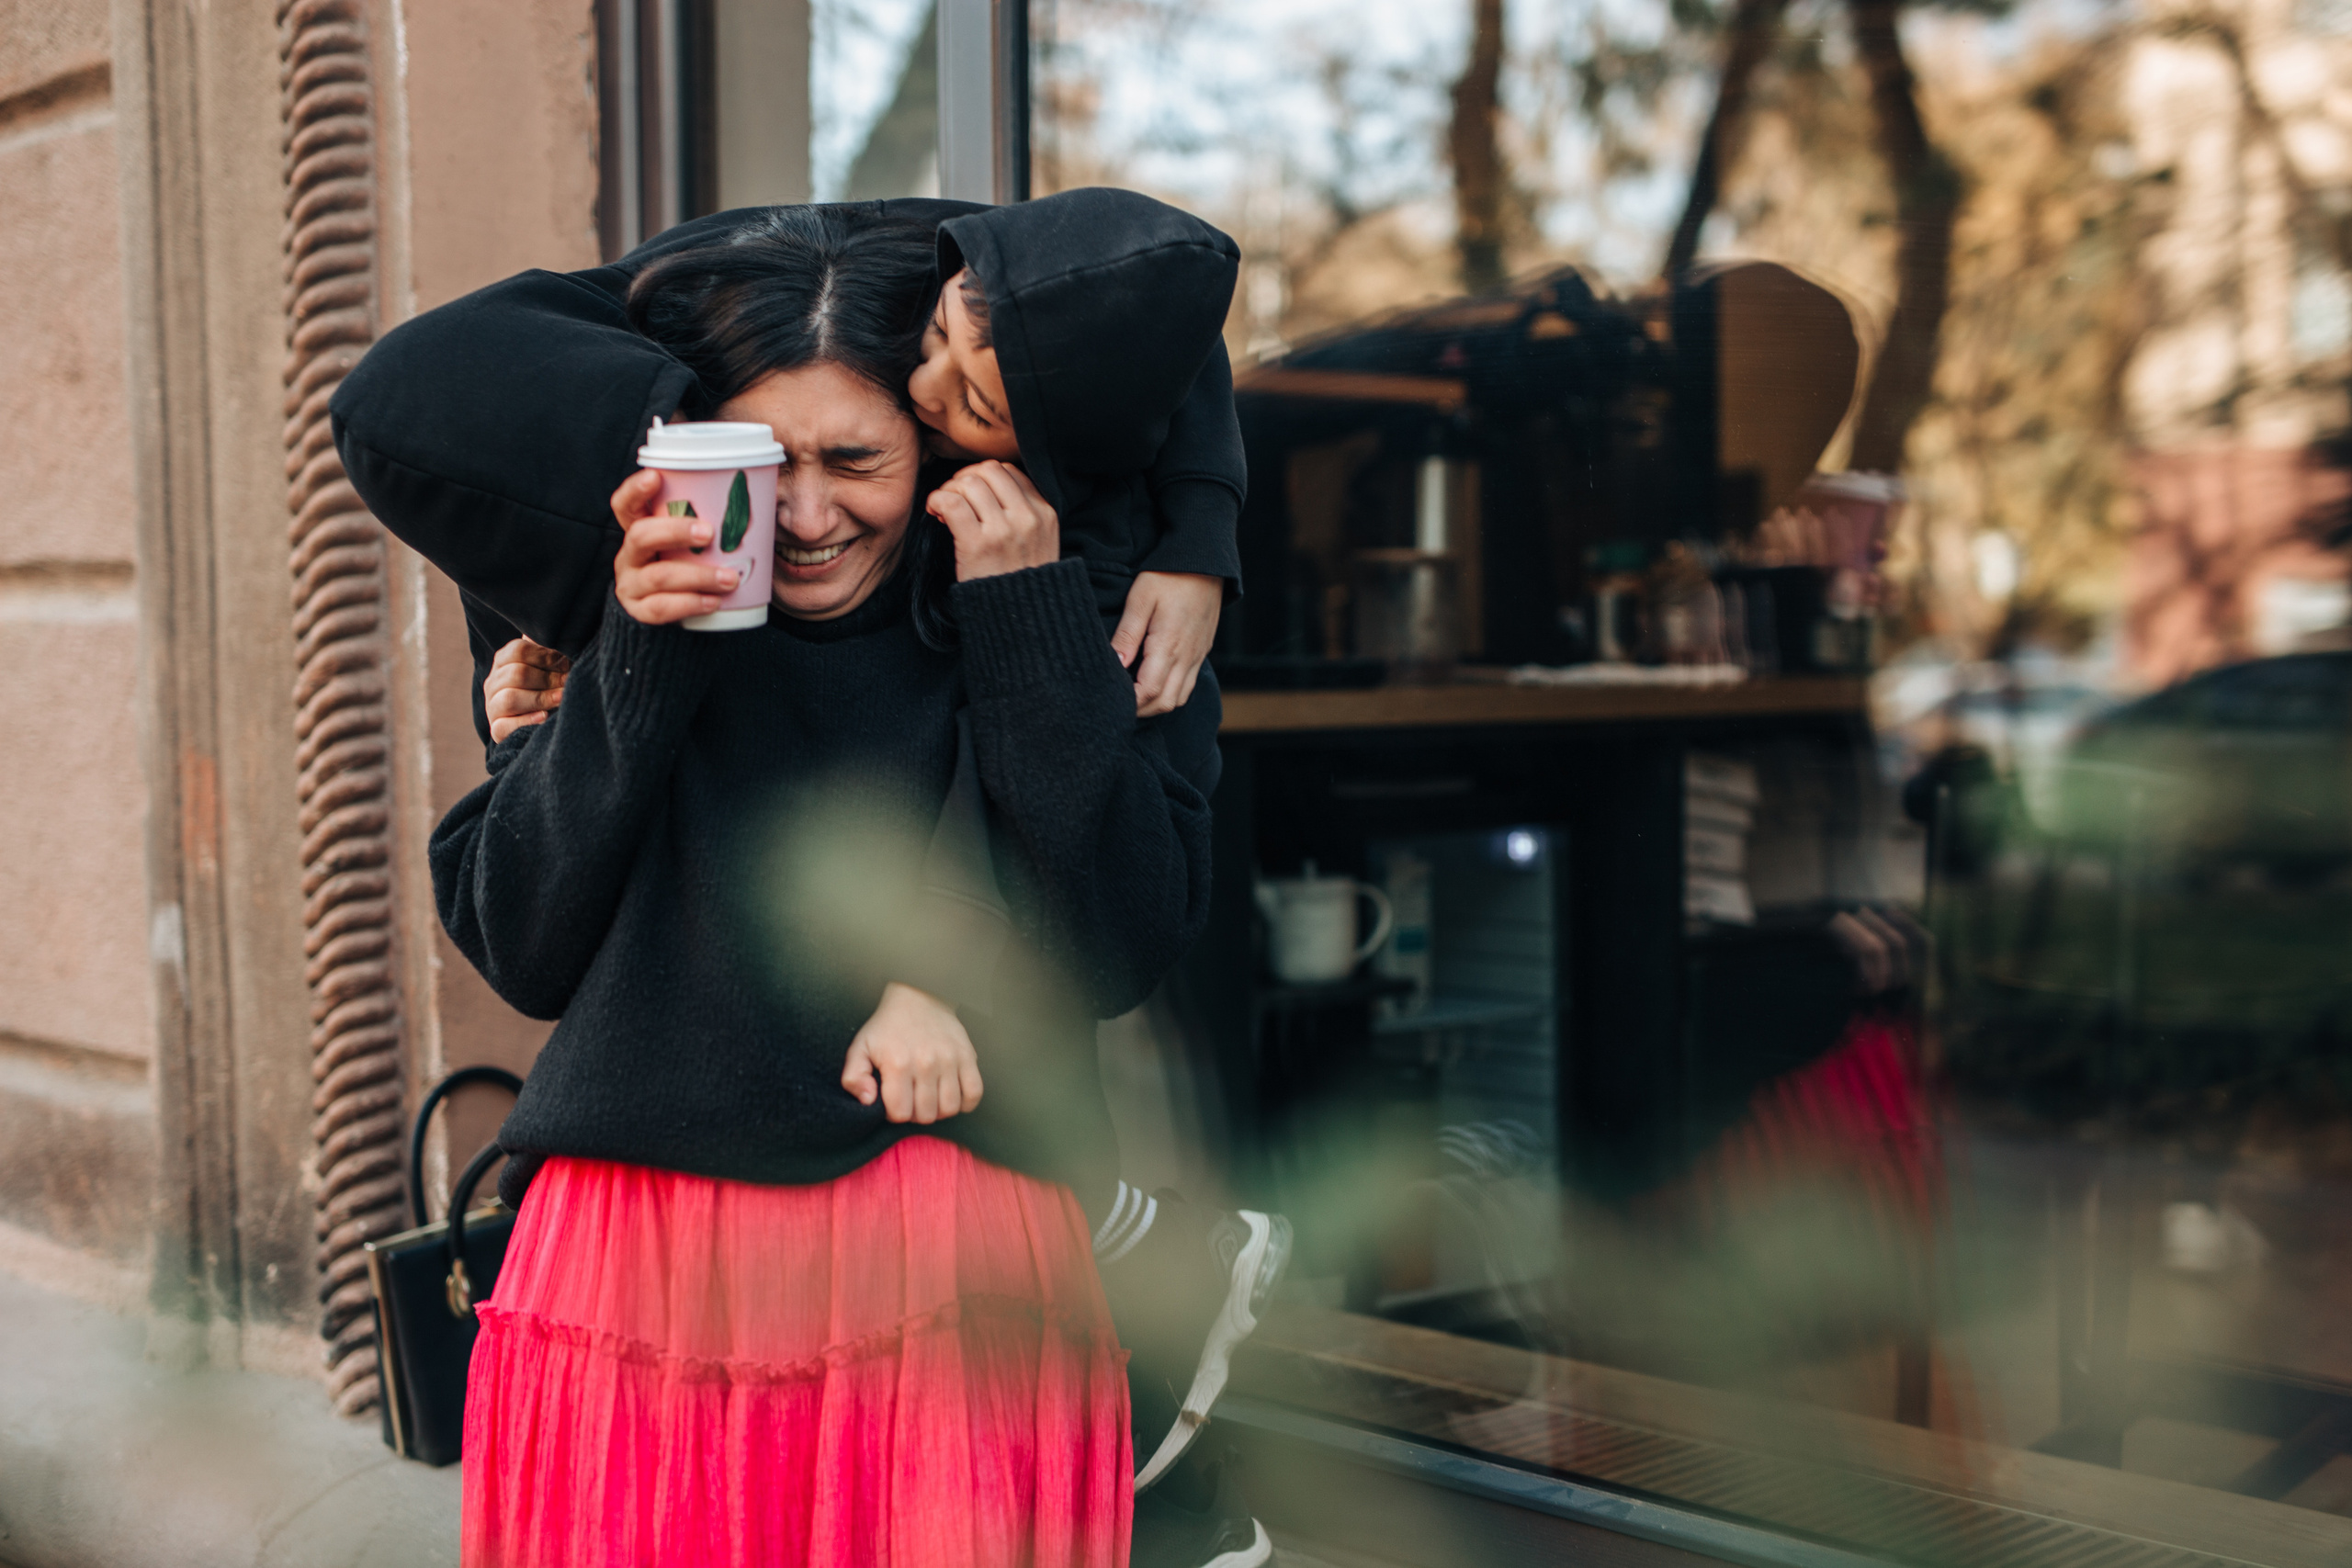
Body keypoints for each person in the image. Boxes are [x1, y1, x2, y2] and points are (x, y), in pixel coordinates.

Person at [338, 193, 1290, 1502]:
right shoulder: (595, 586)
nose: (799, 514)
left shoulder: (1081, 598)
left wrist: (1157, 541)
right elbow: (527, 946)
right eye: (757, 462)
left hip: (954, 1278)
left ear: (945, 445)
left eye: (856, 461)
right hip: (628, 1270)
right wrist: (643, 648)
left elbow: (1119, 940)